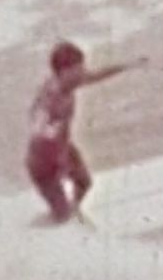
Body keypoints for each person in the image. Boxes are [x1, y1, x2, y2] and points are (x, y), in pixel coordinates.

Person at [25, 41, 146, 222]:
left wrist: (127, 65)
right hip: (43, 162)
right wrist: (47, 129)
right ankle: (48, 225)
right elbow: (37, 119)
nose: (83, 72)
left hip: (62, 148)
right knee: (61, 216)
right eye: (78, 69)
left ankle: (72, 214)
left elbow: (97, 75)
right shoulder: (51, 96)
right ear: (64, 71)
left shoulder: (70, 83)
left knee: (84, 182)